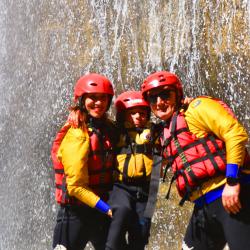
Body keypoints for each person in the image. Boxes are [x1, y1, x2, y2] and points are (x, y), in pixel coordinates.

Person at [141, 71, 250, 250]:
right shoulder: (165, 131)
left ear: (177, 94)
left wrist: (232, 181)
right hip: (203, 207)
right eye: (153, 98)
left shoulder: (197, 108)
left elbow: (235, 134)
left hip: (231, 193)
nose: (159, 102)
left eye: (165, 94)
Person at [51, 73, 117, 250]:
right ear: (82, 100)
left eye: (103, 98)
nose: (98, 103)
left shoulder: (107, 128)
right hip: (75, 215)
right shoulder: (77, 133)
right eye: (92, 98)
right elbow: (75, 187)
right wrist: (106, 208)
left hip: (100, 214)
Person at [105, 91, 158, 250]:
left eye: (142, 113)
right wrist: (78, 113)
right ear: (122, 116)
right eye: (132, 113)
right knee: (121, 212)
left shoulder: (155, 131)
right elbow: (96, 122)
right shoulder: (116, 131)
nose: (137, 116)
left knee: (141, 234)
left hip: (146, 192)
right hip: (121, 186)